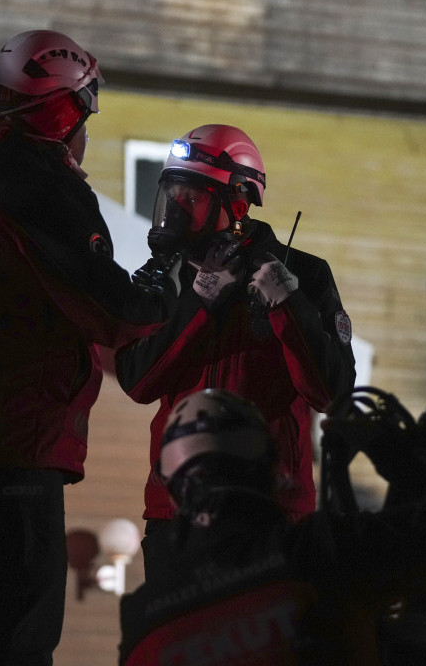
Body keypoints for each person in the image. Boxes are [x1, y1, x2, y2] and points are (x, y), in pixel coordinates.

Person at [0, 29, 181, 666]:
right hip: (13, 452)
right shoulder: (51, 196)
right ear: (67, 109)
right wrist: (169, 285)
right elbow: (115, 312)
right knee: (16, 643)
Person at [114, 123, 356, 574]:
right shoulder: (165, 276)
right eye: (172, 194)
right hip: (178, 514)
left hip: (273, 513)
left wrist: (288, 304)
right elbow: (139, 382)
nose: (175, 209)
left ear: (238, 202)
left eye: (192, 198)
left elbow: (331, 392)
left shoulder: (305, 273)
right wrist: (199, 302)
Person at [117, 388, 426, 665]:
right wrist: (400, 458)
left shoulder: (143, 615)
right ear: (272, 472)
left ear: (171, 490)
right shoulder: (317, 553)